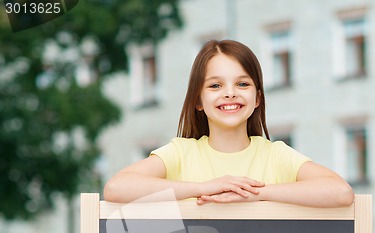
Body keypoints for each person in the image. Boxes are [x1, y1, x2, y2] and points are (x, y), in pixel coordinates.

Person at [104, 39, 354, 207]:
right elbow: (116, 188)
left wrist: (255, 195)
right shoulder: (180, 153)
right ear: (198, 101)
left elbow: (341, 192)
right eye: (215, 85)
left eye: (242, 84)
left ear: (257, 98)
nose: (230, 93)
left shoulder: (275, 155)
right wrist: (205, 188)